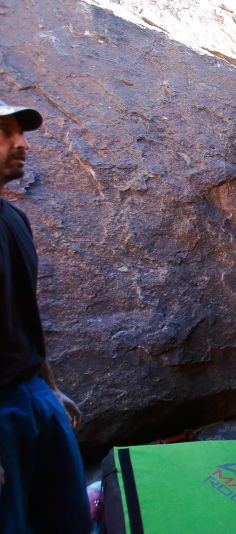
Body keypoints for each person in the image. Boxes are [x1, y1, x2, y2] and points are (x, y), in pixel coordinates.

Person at [0, 99, 91, 533]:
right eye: (5, 133)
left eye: (20, 132)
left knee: (66, 519)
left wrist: (50, 388)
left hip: (34, 393)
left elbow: (23, 313)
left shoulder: (14, 219)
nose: (22, 144)